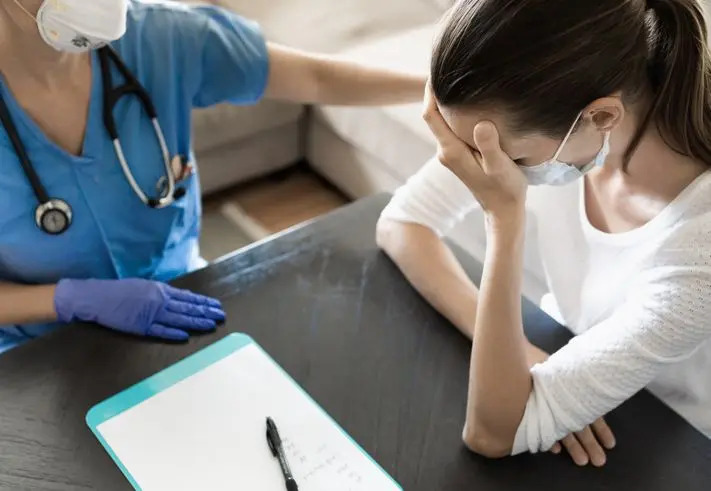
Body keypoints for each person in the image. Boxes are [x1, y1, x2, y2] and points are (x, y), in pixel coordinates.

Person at [377, 0, 711, 468]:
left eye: (508, 161)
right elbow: (403, 223)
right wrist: (525, 356)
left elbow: (493, 432)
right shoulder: (550, 123)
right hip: (560, 354)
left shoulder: (700, 247)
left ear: (601, 117)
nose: (488, 172)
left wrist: (504, 220)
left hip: (662, 439)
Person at [0, 0, 426, 353]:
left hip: (186, 303)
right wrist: (70, 300)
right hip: (38, 348)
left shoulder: (161, 38)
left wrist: (441, 90)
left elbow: (315, 78)